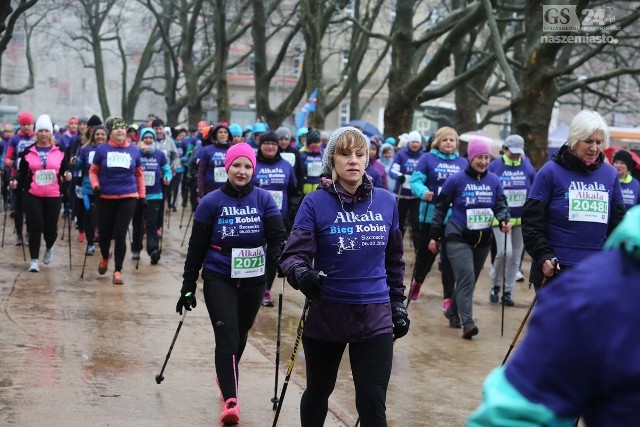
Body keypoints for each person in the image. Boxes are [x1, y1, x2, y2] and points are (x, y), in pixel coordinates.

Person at [279, 126, 409, 426]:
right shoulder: (314, 203)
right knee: (319, 391)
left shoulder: (387, 202)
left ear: (367, 160)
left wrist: (398, 305)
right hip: (328, 314)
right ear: (332, 161)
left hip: (374, 315)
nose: (353, 160)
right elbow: (292, 256)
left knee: (372, 402)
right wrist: (303, 275)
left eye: (360, 154)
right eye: (345, 153)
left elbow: (394, 260)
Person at [468, 205, 640, 427]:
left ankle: (507, 291)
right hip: (563, 270)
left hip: (586, 268)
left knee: (511, 256)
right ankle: (497, 290)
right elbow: (514, 417)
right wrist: (544, 255)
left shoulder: (609, 180)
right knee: (505, 254)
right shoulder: (592, 296)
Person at [177, 142, 287, 425]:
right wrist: (188, 285)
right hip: (219, 277)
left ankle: (225, 372)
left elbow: (276, 240)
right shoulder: (212, 202)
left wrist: (284, 260)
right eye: (237, 165)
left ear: (254, 169)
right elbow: (196, 247)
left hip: (253, 278)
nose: (242, 171)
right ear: (227, 167)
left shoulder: (264, 200)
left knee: (240, 335)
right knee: (226, 337)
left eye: (248, 166)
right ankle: (231, 400)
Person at [522, 110, 625, 290]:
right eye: (588, 141)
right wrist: (543, 256)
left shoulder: (610, 175)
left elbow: (617, 223)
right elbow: (532, 222)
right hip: (556, 270)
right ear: (574, 139)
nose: (594, 148)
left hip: (596, 271)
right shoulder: (549, 172)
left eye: (599, 142)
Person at [428, 139, 511, 338]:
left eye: (486, 158)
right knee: (467, 277)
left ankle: (452, 312)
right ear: (470, 158)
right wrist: (435, 236)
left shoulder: (494, 180)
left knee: (468, 281)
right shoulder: (456, 180)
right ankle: (468, 323)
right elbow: (440, 208)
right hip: (458, 237)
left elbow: (500, 205)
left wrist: (503, 219)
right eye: (479, 158)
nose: (483, 162)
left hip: (483, 239)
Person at [409, 127, 468, 308]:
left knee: (449, 259)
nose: (449, 143)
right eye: (445, 140)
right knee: (426, 256)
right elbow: (415, 181)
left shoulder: (463, 163)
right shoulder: (427, 159)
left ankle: (448, 297)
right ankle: (417, 281)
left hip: (454, 219)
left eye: (452, 140)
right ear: (437, 142)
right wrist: (423, 192)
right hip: (430, 216)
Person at [89, 117, 146, 284]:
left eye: (123, 129)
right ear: (110, 132)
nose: (120, 131)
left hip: (128, 197)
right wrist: (95, 185)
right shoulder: (102, 149)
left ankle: (118, 270)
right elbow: (93, 171)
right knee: (105, 234)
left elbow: (139, 174)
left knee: (120, 234)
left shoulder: (134, 150)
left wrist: (142, 196)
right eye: (116, 129)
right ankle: (106, 256)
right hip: (105, 197)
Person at [14, 114, 72, 272]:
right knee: (35, 225)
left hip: (53, 194)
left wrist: (67, 175)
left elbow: (65, 168)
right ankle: (34, 260)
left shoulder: (60, 150)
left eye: (47, 131)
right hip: (33, 193)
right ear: (36, 133)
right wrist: (15, 181)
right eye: (41, 131)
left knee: (51, 228)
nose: (44, 134)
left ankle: (49, 247)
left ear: (51, 133)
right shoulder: (28, 151)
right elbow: (21, 172)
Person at [252, 131, 301, 306]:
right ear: (261, 145)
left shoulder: (286, 165)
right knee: (256, 253)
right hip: (254, 218)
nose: (270, 146)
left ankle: (266, 291)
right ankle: (252, 287)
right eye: (267, 143)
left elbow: (294, 191)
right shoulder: (253, 164)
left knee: (274, 255)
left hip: (279, 219)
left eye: (273, 143)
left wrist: (292, 211)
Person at [487, 134, 536, 306]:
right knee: (504, 252)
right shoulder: (495, 166)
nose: (516, 155)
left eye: (519, 152)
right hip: (501, 219)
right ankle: (495, 285)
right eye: (512, 152)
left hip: (521, 220)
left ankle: (507, 292)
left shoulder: (527, 166)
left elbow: (534, 187)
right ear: (505, 149)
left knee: (516, 257)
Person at [131, 128, 172, 264]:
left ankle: (153, 250)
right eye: (145, 138)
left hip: (155, 194)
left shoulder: (160, 154)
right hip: (137, 195)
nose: (148, 140)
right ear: (141, 139)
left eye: (151, 138)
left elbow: (167, 170)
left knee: (152, 224)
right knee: (137, 223)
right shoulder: (136, 153)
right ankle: (136, 248)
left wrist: (167, 177)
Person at [388, 130, 423, 251]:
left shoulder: (423, 156)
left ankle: (418, 250)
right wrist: (399, 176)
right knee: (400, 224)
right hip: (401, 195)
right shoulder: (401, 154)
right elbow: (392, 170)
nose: (415, 144)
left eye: (417, 142)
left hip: (416, 197)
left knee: (416, 224)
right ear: (408, 142)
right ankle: (396, 249)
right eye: (413, 141)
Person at [75, 125, 107, 256]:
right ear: (93, 136)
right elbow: (79, 165)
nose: (99, 136)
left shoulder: (111, 150)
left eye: (102, 134)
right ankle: (90, 244)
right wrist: (74, 161)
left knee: (104, 217)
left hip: (106, 188)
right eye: (97, 134)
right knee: (90, 216)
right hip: (88, 188)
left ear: (107, 136)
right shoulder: (86, 149)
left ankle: (104, 241)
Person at [5, 112, 35, 246]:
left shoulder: (36, 138)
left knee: (30, 207)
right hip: (17, 175)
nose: (26, 127)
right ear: (20, 125)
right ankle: (18, 234)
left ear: (32, 125)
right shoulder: (15, 139)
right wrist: (7, 161)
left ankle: (29, 232)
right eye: (24, 124)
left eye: (28, 124)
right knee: (19, 207)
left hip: (32, 177)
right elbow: (8, 155)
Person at [197, 122, 231, 201]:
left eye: (225, 132)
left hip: (229, 190)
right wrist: (201, 193)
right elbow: (201, 172)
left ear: (229, 135)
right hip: (211, 190)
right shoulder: (207, 150)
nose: (223, 134)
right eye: (220, 132)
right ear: (215, 134)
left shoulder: (233, 149)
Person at [299, 128, 324, 194]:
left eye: (318, 142)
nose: (317, 145)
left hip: (318, 190)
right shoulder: (301, 154)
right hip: (304, 190)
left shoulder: (322, 154)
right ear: (309, 143)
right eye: (315, 142)